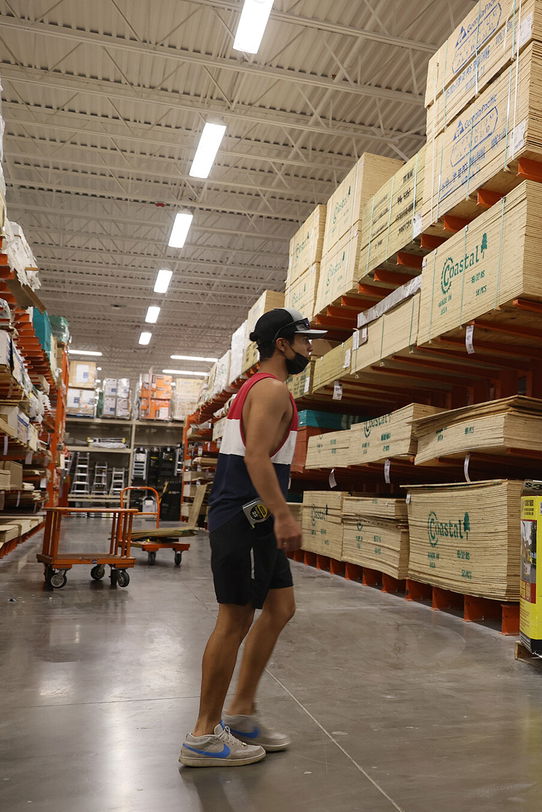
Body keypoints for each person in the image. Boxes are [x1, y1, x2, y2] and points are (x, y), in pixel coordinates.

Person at [179, 308, 325, 768]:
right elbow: (258, 459)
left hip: (251, 516)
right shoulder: (272, 389)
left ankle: (240, 712)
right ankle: (203, 734)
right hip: (248, 518)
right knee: (235, 619)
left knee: (281, 607)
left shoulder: (257, 388)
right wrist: (283, 516)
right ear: (281, 344)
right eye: (303, 340)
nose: (310, 348)